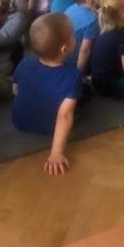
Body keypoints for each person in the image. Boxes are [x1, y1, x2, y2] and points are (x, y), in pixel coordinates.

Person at [12, 13, 82, 175]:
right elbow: (65, 116)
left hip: (20, 121)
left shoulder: (25, 62)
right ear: (64, 49)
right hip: (50, 127)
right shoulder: (73, 75)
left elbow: (15, 89)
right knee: (82, 97)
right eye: (72, 36)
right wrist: (56, 153)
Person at [63, 0, 105, 72]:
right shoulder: (92, 20)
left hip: (63, 56)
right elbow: (85, 50)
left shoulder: (71, 8)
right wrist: (79, 73)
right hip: (76, 61)